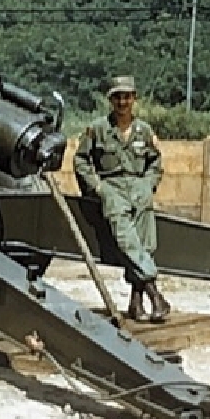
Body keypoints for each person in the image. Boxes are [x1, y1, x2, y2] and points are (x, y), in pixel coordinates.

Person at [73, 75, 171, 322]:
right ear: (111, 100)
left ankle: (136, 304)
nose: (122, 102)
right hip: (112, 188)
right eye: (117, 97)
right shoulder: (98, 129)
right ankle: (154, 294)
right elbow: (81, 160)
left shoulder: (144, 131)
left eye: (126, 97)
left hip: (139, 188)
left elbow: (155, 162)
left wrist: (149, 184)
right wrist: (97, 187)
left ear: (133, 99)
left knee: (145, 243)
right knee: (126, 237)